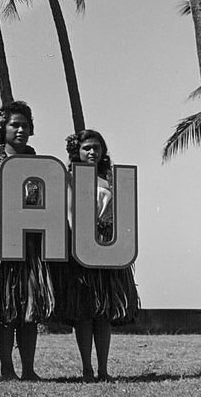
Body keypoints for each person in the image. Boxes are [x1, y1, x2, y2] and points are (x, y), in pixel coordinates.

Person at [53, 129, 138, 382]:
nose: (92, 152)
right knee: (83, 312)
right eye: (86, 147)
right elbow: (69, 214)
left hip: (107, 248)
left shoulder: (111, 179)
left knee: (103, 313)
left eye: (96, 147)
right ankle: (87, 369)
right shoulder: (69, 179)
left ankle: (103, 369)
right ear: (76, 151)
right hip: (80, 249)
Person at [0, 101, 55, 381]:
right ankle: (6, 368)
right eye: (15, 124)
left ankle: (28, 369)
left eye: (25, 124)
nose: (21, 129)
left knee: (29, 307)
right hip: (1, 238)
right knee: (4, 307)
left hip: (32, 241)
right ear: (3, 128)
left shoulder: (41, 165)